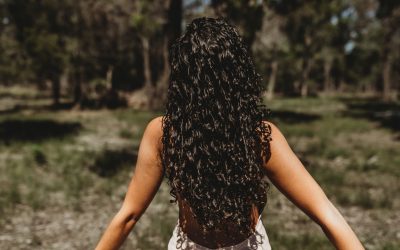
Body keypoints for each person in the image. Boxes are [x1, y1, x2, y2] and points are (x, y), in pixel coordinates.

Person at [95, 17, 364, 250]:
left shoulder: (164, 132)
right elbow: (327, 214)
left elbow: (128, 216)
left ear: (182, 80)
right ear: (239, 75)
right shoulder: (260, 136)